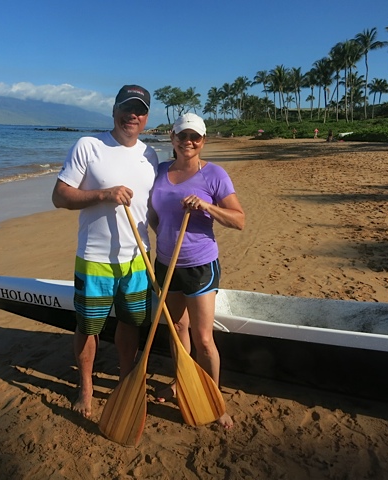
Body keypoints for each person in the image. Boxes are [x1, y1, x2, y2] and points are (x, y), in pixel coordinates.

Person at [51, 85, 159, 418]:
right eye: (127, 107)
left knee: (130, 323)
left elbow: (150, 209)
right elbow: (60, 197)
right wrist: (103, 195)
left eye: (140, 110)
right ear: (114, 110)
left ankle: (127, 379)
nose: (133, 115)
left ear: (146, 118)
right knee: (88, 326)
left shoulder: (150, 154)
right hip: (95, 259)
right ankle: (86, 388)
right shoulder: (89, 146)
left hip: (138, 260)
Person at [148, 113, 245, 429]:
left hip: (200, 265)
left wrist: (207, 207)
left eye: (195, 137)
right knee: (177, 329)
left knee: (203, 339)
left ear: (203, 141)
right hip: (166, 263)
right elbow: (153, 214)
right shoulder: (161, 171)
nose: (188, 142)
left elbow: (239, 220)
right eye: (182, 136)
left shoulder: (214, 175)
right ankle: (181, 383)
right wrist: (164, 235)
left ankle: (216, 402)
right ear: (172, 139)